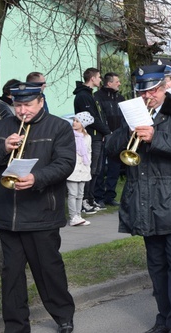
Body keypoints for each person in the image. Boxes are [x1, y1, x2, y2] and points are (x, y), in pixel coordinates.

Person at [105, 64, 171, 333]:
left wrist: (155, 136)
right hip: (147, 203)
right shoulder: (133, 116)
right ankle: (164, 318)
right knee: (158, 267)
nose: (146, 97)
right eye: (142, 92)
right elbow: (110, 149)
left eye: (151, 91)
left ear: (163, 89)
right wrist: (128, 132)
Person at [0, 81, 76, 333]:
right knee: (12, 275)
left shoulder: (59, 127)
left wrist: (36, 178)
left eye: (28, 105)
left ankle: (63, 315)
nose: (22, 111)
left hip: (42, 211)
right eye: (18, 105)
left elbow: (65, 164)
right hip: (8, 213)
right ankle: (16, 326)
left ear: (40, 102)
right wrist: (2, 147)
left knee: (48, 268)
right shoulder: (2, 126)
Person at [73, 67, 110, 214]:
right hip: (90, 136)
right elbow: (90, 118)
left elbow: (98, 116)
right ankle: (83, 200)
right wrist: (107, 131)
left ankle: (89, 197)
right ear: (92, 78)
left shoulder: (90, 95)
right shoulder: (83, 96)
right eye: (99, 77)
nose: (101, 80)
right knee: (90, 169)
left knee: (96, 170)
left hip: (97, 136)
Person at [93, 72, 125, 206]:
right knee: (99, 169)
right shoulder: (97, 97)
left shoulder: (120, 98)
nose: (119, 84)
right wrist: (106, 132)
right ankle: (98, 196)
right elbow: (99, 117)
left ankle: (110, 196)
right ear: (109, 83)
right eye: (117, 81)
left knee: (114, 168)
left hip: (117, 137)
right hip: (103, 137)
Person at [69, 112, 94, 227]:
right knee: (72, 193)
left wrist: (87, 165)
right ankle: (73, 216)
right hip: (73, 168)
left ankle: (78, 215)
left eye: (77, 121)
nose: (74, 122)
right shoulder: (70, 136)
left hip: (83, 168)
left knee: (80, 194)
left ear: (83, 124)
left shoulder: (87, 137)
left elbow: (88, 152)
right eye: (74, 120)